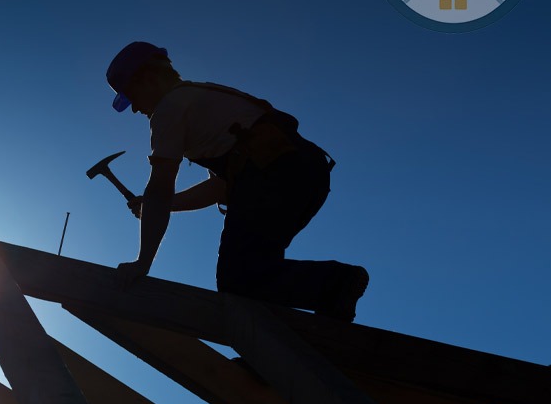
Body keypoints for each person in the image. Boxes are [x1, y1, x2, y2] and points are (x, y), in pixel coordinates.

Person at [107, 41, 369, 322]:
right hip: (305, 173)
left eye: (131, 96)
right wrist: (159, 206)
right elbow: (219, 188)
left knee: (239, 279)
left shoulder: (169, 109)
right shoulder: (204, 102)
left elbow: (159, 187)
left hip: (274, 177)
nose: (134, 109)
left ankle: (335, 284)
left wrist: (142, 262)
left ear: (148, 78)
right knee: (252, 276)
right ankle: (327, 313)